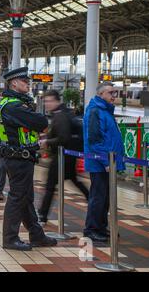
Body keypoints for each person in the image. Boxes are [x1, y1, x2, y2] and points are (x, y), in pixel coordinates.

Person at [0, 66, 57, 251]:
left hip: (20, 156)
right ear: (14, 83)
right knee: (17, 197)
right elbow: (41, 122)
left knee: (25, 197)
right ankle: (10, 238)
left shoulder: (11, 103)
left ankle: (36, 235)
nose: (28, 84)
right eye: (25, 81)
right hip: (18, 158)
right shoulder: (13, 106)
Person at [38, 90, 89, 225]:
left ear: (56, 101)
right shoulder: (65, 113)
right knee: (74, 180)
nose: (47, 104)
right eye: (45, 101)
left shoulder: (60, 116)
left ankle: (42, 215)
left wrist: (47, 142)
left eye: (49, 101)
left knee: (49, 186)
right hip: (69, 155)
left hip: (61, 156)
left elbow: (63, 138)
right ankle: (92, 199)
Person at [83, 82, 125, 242]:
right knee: (98, 197)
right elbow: (94, 141)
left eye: (115, 92)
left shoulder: (105, 110)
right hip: (100, 164)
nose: (114, 95)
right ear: (101, 94)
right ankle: (91, 229)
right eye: (111, 93)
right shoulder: (95, 111)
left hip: (108, 162)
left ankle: (100, 227)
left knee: (105, 197)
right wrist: (105, 162)